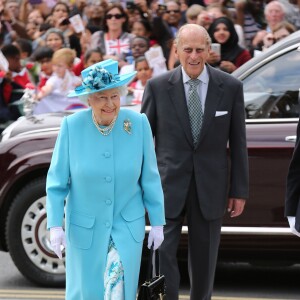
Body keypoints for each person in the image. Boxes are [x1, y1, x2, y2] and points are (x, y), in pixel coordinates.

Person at [141, 23, 249, 300]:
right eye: (187, 49)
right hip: (166, 187)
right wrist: (140, 186)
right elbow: (142, 144)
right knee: (161, 256)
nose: (193, 56)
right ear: (175, 50)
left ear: (209, 51)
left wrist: (239, 190)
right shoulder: (157, 87)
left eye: (199, 49)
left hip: (210, 187)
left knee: (204, 260)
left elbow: (238, 144)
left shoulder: (231, 87)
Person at [46, 58, 165, 300]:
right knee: (86, 293)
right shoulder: (72, 126)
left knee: (118, 292)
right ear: (88, 99)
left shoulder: (138, 124)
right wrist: (55, 225)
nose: (110, 104)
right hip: (85, 230)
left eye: (115, 96)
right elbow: (57, 183)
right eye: (101, 97)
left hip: (126, 228)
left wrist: (158, 222)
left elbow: (150, 178)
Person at [34, 48, 84, 114]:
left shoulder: (76, 80)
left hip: (75, 109)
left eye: (60, 66)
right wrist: (40, 96)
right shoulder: (53, 80)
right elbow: (48, 88)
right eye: (54, 65)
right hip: (60, 111)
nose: (56, 68)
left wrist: (81, 86)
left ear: (70, 66)